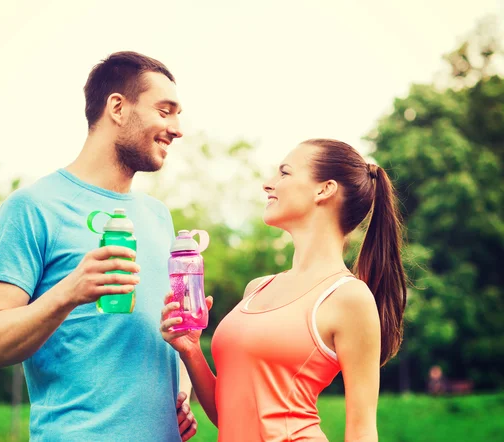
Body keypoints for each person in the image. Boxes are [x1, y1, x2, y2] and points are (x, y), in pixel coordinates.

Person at [0, 51, 197, 442]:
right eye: (165, 111)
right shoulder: (32, 207)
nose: (178, 129)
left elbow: (157, 328)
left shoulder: (158, 216)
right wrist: (70, 291)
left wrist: (181, 387)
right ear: (117, 107)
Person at [161, 139, 408, 441]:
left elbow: (362, 431)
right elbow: (232, 415)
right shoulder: (257, 288)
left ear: (324, 189)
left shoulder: (349, 297)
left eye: (284, 173)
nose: (268, 184)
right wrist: (190, 349)